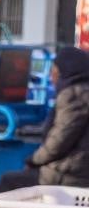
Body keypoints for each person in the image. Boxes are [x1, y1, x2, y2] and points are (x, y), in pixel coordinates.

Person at [26, 46, 89, 186]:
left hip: (70, 175)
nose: (51, 76)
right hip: (78, 170)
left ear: (65, 71)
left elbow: (59, 141)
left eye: (54, 70)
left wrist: (34, 160)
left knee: (9, 183)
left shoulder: (73, 95)